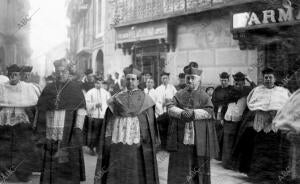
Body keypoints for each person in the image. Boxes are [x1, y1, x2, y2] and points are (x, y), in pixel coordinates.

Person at [94, 64, 160, 184]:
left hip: (137, 138)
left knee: (135, 165)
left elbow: (149, 121)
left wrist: (144, 137)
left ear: (138, 81)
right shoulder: (116, 97)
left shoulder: (146, 99)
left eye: (133, 79)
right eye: (128, 79)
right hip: (118, 137)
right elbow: (109, 119)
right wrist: (108, 137)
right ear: (124, 80)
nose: (130, 82)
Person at [167, 62, 218, 184]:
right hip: (180, 137)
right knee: (181, 163)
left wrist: (194, 113)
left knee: (197, 164)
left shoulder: (204, 95)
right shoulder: (179, 94)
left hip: (198, 137)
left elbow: (210, 111)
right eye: (188, 78)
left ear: (198, 80)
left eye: (192, 78)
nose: (190, 81)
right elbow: (170, 107)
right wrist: (181, 113)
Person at [36, 58, 86, 184]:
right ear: (55, 72)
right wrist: (40, 130)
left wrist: (78, 129)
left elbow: (81, 110)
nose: (60, 74)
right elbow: (41, 110)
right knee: (51, 161)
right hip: (50, 131)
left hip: (68, 131)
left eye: (63, 71)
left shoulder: (75, 88)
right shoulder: (49, 88)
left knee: (67, 160)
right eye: (58, 71)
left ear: (68, 72)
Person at [246, 67, 291, 183]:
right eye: (265, 77)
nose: (268, 80)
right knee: (260, 150)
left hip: (274, 125)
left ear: (275, 78)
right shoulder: (257, 90)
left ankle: (273, 176)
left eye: (270, 77)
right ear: (263, 78)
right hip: (260, 123)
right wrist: (262, 109)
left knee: (273, 150)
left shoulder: (282, 91)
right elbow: (251, 104)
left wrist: (275, 112)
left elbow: (287, 106)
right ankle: (258, 176)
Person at [0, 64, 41, 182]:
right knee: (4, 147)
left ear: (19, 75)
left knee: (23, 147)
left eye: (16, 75)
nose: (13, 77)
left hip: (21, 121)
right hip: (4, 120)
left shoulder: (27, 87)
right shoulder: (2, 87)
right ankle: (3, 173)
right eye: (11, 75)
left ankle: (23, 174)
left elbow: (35, 103)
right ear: (8, 75)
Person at [221, 72, 255, 170]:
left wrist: (250, 80)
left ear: (243, 82)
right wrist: (222, 117)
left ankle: (234, 164)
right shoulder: (230, 91)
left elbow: (257, 90)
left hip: (239, 120)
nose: (237, 84)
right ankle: (226, 163)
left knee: (237, 142)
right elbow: (224, 105)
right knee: (227, 142)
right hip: (228, 119)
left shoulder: (247, 91)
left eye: (240, 82)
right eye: (236, 81)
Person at [83, 77, 111, 155]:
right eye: (96, 83)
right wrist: (95, 105)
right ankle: (91, 148)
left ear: (101, 83)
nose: (98, 84)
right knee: (94, 133)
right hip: (94, 116)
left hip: (103, 116)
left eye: (99, 83)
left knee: (102, 133)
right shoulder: (90, 92)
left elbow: (109, 104)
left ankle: (99, 149)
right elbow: (86, 104)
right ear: (94, 83)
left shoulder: (106, 93)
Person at [211, 72, 235, 160]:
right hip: (217, 113)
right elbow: (213, 101)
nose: (223, 82)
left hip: (227, 113)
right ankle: (217, 155)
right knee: (217, 133)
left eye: (225, 80)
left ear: (228, 80)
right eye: (222, 80)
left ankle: (225, 156)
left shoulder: (231, 89)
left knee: (225, 135)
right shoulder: (217, 89)